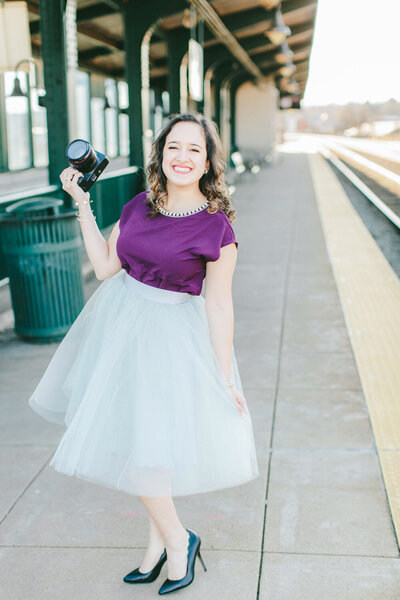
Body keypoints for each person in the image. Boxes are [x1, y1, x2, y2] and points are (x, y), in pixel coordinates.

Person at [28, 112, 259, 595]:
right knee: (144, 442)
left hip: (174, 339)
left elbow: (219, 305)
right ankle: (159, 545)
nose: (182, 157)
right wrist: (83, 206)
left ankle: (180, 540)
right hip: (124, 329)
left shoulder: (218, 228)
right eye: (174, 146)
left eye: (194, 149)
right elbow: (107, 266)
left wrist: (224, 377)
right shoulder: (138, 206)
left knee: (147, 448)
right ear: (161, 154)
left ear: (208, 162)